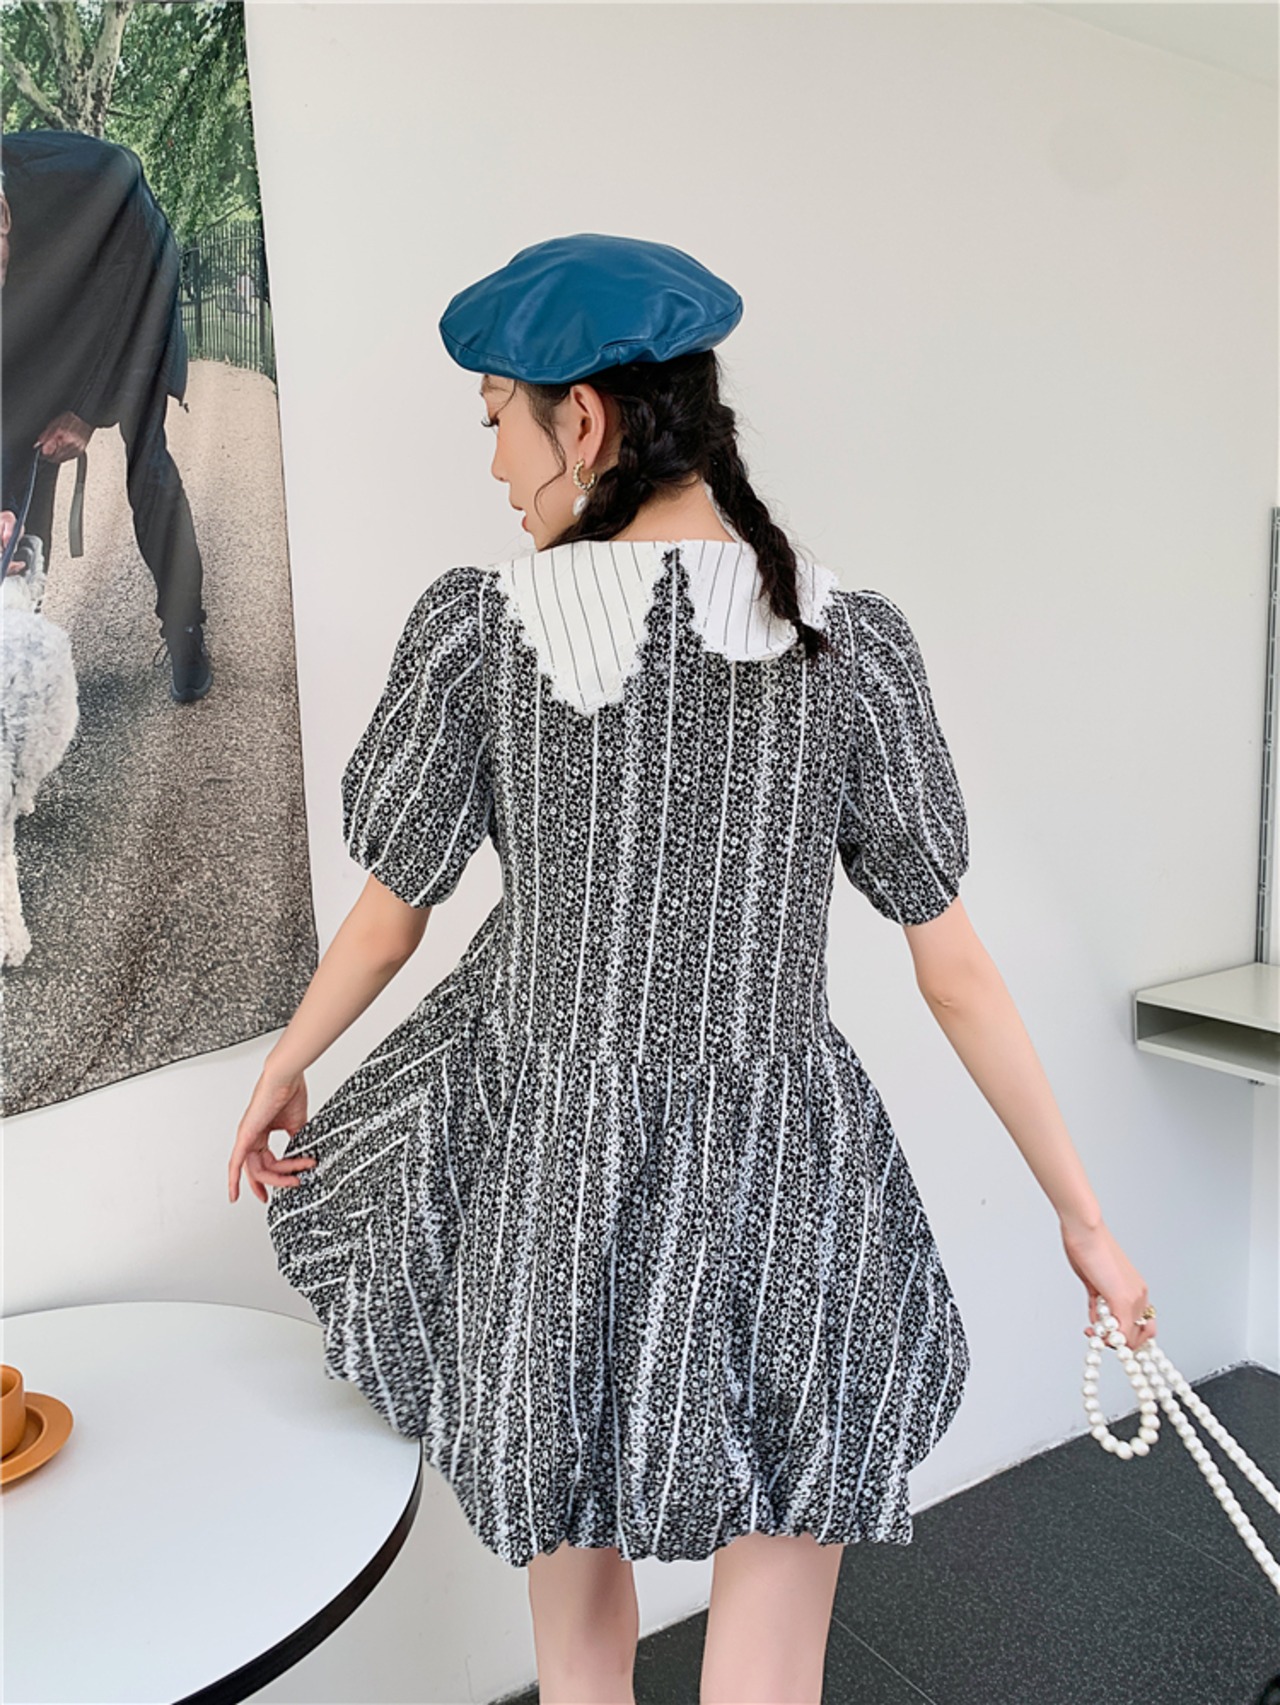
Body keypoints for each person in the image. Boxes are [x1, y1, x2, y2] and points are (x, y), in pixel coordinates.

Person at [227, 233, 1156, 1705]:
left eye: (497, 420)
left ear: (583, 420)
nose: (493, 464)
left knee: (572, 1615)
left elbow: (394, 916)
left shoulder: (481, 637)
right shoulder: (849, 646)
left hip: (549, 1170)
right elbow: (957, 971)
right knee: (772, 1640)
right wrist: (1085, 1222)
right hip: (783, 1179)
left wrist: (290, 1065)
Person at [0, 130, 211, 703]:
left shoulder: (94, 175)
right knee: (15, 471)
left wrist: (89, 411)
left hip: (135, 296)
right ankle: (18, 640)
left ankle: (185, 628)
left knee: (148, 463)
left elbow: (138, 289)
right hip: (47, 315)